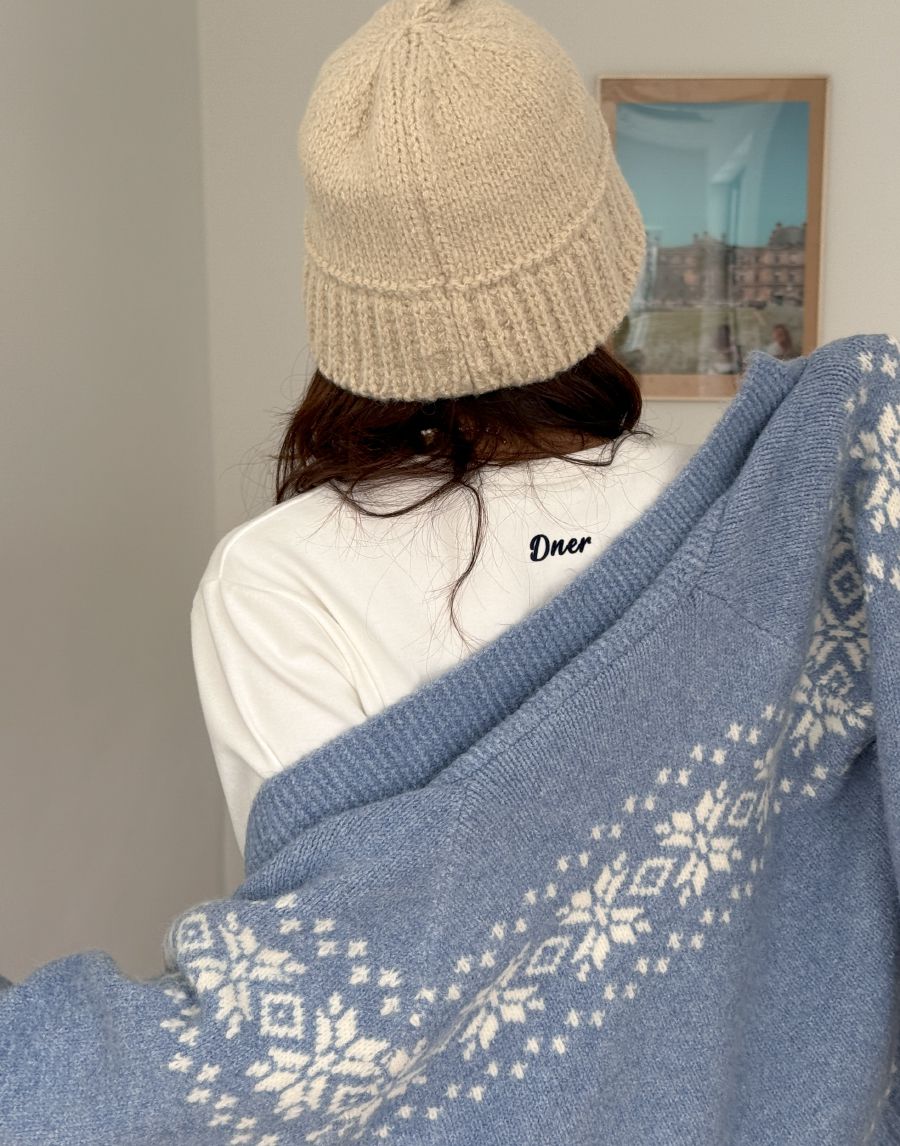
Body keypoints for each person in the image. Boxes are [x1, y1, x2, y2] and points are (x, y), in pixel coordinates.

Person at [189, 0, 694, 857]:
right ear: (609, 249)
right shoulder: (753, 502)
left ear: (349, 301)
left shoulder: (273, 584)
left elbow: (332, 918)